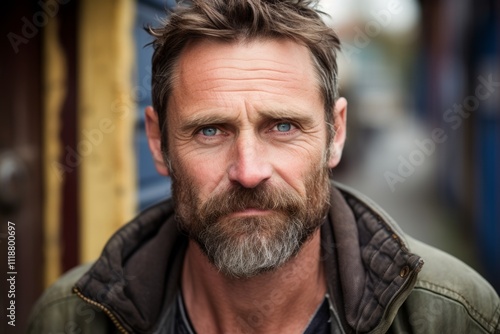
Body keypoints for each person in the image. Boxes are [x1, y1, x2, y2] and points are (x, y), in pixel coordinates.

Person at [28, 0, 500, 333]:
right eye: (211, 130)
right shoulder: (69, 319)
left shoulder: (454, 314)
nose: (249, 171)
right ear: (159, 144)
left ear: (335, 134)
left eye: (283, 127)